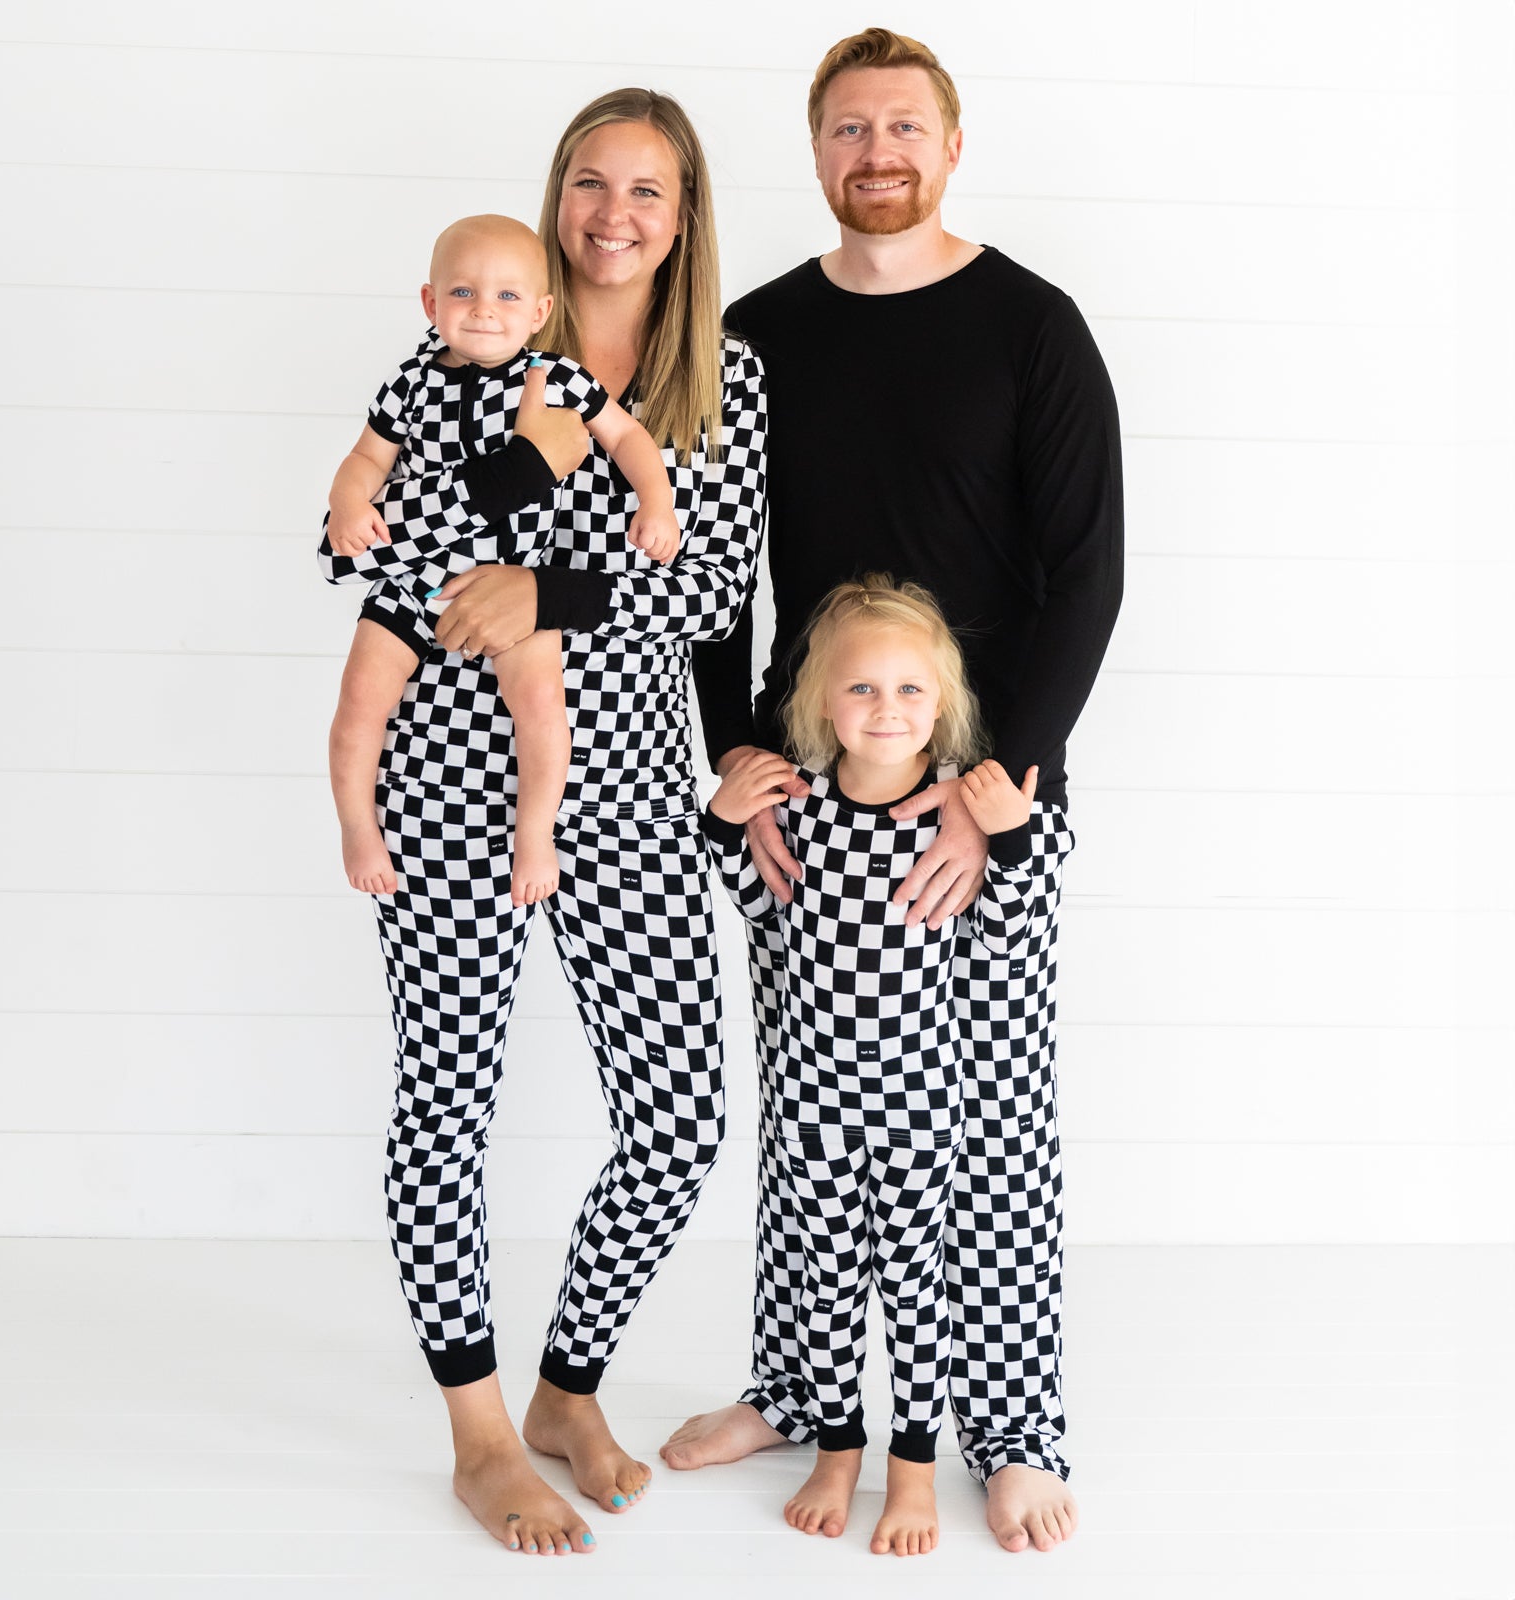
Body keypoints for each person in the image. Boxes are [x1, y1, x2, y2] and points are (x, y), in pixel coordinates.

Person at [670, 27, 1123, 1558]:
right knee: (810, 1122)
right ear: (816, 153)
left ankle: (1012, 1429)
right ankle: (799, 1389)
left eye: (904, 127)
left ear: (948, 144)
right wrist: (742, 748)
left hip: (981, 793)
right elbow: (712, 571)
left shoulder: (1033, 327)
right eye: (850, 129)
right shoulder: (753, 335)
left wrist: (1010, 777)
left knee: (986, 1128)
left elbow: (1089, 572)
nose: (879, 153)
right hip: (811, 782)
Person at [319, 90, 767, 1556]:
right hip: (451, 778)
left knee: (679, 1115)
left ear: (685, 213)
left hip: (632, 786)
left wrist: (549, 592)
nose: (614, 213)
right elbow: (390, 549)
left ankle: (571, 1386)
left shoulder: (729, 379)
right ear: (555, 195)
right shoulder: (480, 337)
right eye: (590, 182)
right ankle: (481, 1430)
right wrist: (455, 564)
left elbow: (711, 597)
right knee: (447, 1104)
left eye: (648, 189)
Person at [704, 576, 1066, 1556]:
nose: (886, 709)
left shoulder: (949, 821)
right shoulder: (803, 811)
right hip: (813, 1109)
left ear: (941, 704)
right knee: (821, 1282)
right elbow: (758, 908)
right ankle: (835, 1451)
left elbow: (1005, 937)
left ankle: (912, 1472)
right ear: (823, 701)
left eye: (909, 691)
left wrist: (1011, 834)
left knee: (915, 1286)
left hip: (917, 1110)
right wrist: (722, 818)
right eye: (862, 690)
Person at [326, 213, 681, 908]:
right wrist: (347, 505)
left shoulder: (556, 380)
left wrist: (657, 503)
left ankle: (534, 834)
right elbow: (367, 458)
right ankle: (357, 827)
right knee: (359, 707)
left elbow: (628, 436)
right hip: (411, 586)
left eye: (508, 297)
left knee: (543, 708)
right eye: (463, 293)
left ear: (541, 310)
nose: (485, 311)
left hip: (517, 583)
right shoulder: (410, 383)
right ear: (431, 303)